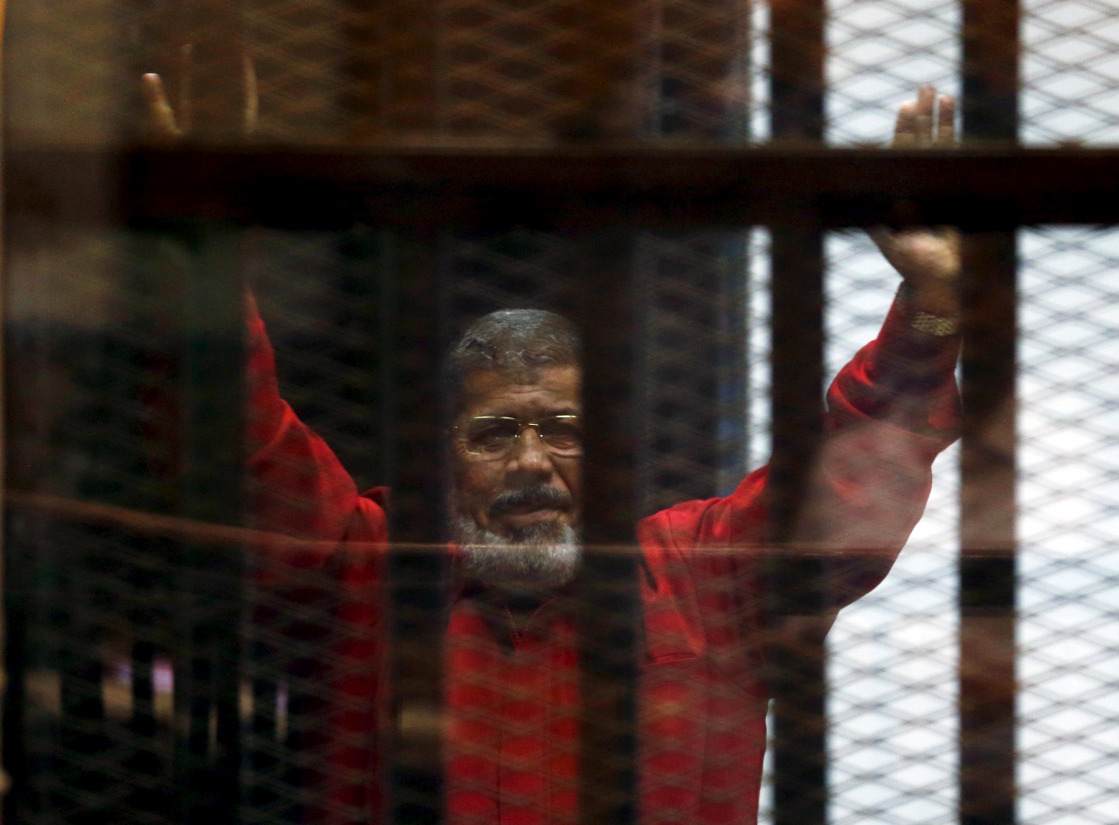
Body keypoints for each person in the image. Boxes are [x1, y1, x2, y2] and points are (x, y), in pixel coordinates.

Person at [147, 70, 961, 824]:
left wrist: (930, 301)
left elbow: (850, 481)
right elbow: (242, 446)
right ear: (444, 457)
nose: (531, 461)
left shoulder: (707, 576)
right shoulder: (365, 565)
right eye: (495, 432)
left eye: (564, 431)